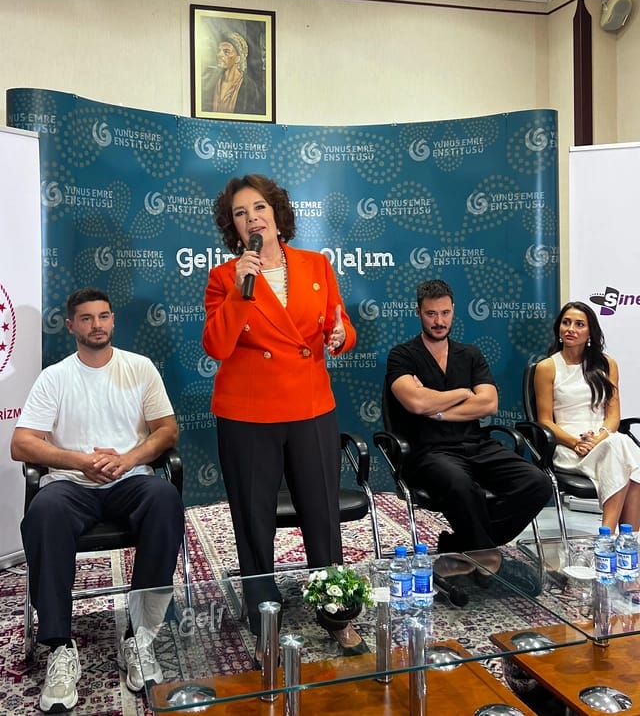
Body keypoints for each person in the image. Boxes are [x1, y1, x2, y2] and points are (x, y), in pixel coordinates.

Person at [202, 173, 359, 659]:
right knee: (254, 522)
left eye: (259, 208)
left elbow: (340, 323)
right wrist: (239, 292)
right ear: (233, 227)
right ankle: (264, 619)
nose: (252, 218)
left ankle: (337, 613)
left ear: (276, 214)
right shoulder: (225, 278)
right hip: (248, 414)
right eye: (240, 213)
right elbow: (217, 346)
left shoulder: (316, 265)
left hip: (311, 407)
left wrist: (341, 337)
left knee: (322, 515)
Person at [11, 287, 185, 714]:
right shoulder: (55, 377)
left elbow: (167, 430)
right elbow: (21, 443)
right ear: (71, 326)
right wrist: (80, 461)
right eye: (86, 319)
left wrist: (128, 459)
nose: (97, 325)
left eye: (103, 316)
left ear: (113, 321)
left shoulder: (139, 368)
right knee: (44, 511)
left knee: (164, 498)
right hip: (73, 485)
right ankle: (59, 646)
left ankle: (139, 637)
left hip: (129, 480)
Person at [386, 278, 551, 589]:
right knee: (462, 485)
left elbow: (488, 404)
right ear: (418, 312)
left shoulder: (470, 354)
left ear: (453, 310)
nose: (439, 321)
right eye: (431, 314)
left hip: (477, 444)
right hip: (429, 452)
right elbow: (416, 402)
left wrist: (437, 408)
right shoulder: (402, 355)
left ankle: (463, 547)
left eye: (445, 313)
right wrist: (463, 393)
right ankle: (489, 559)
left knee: (537, 482)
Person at [534, 300, 640, 532]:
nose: (571, 329)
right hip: (568, 446)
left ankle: (621, 538)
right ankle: (615, 536)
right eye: (566, 323)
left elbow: (613, 416)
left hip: (602, 439)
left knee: (619, 446)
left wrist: (598, 439)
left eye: (579, 324)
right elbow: (545, 421)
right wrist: (576, 443)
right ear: (559, 328)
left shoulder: (607, 364)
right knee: (626, 454)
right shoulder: (546, 367)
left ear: (590, 332)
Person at [202, 31, 263, 116]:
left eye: (226, 51)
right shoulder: (209, 82)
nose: (219, 54)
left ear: (238, 58)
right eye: (219, 50)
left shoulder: (249, 88)